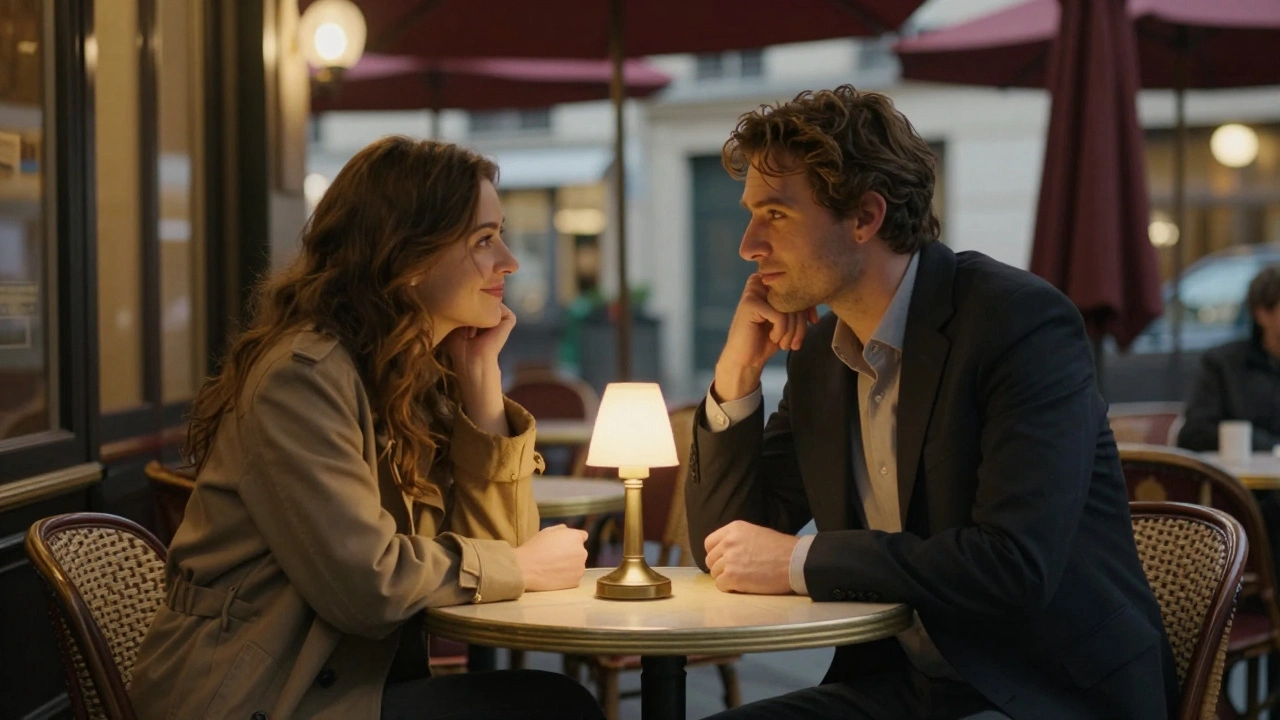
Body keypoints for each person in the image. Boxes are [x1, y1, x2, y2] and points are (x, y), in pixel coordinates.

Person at [686, 87, 1178, 720]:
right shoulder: (818, 358)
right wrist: (737, 376)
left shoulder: (1017, 322)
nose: (748, 244)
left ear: (864, 217)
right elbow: (724, 548)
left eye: (775, 215)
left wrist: (800, 559)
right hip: (907, 688)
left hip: (1048, 690)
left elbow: (1011, 567)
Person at [129, 137, 605, 720]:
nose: (509, 260)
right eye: (484, 240)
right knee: (554, 709)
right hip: (253, 696)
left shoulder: (409, 376)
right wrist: (523, 568)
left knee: (552, 703)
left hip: (342, 685)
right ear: (408, 256)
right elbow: (366, 587)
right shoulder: (302, 378)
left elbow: (501, 545)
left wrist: (482, 385)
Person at [1177, 263, 1280, 452]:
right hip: (1241, 479)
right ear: (1262, 314)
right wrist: (1269, 446)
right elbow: (1194, 434)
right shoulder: (1222, 365)